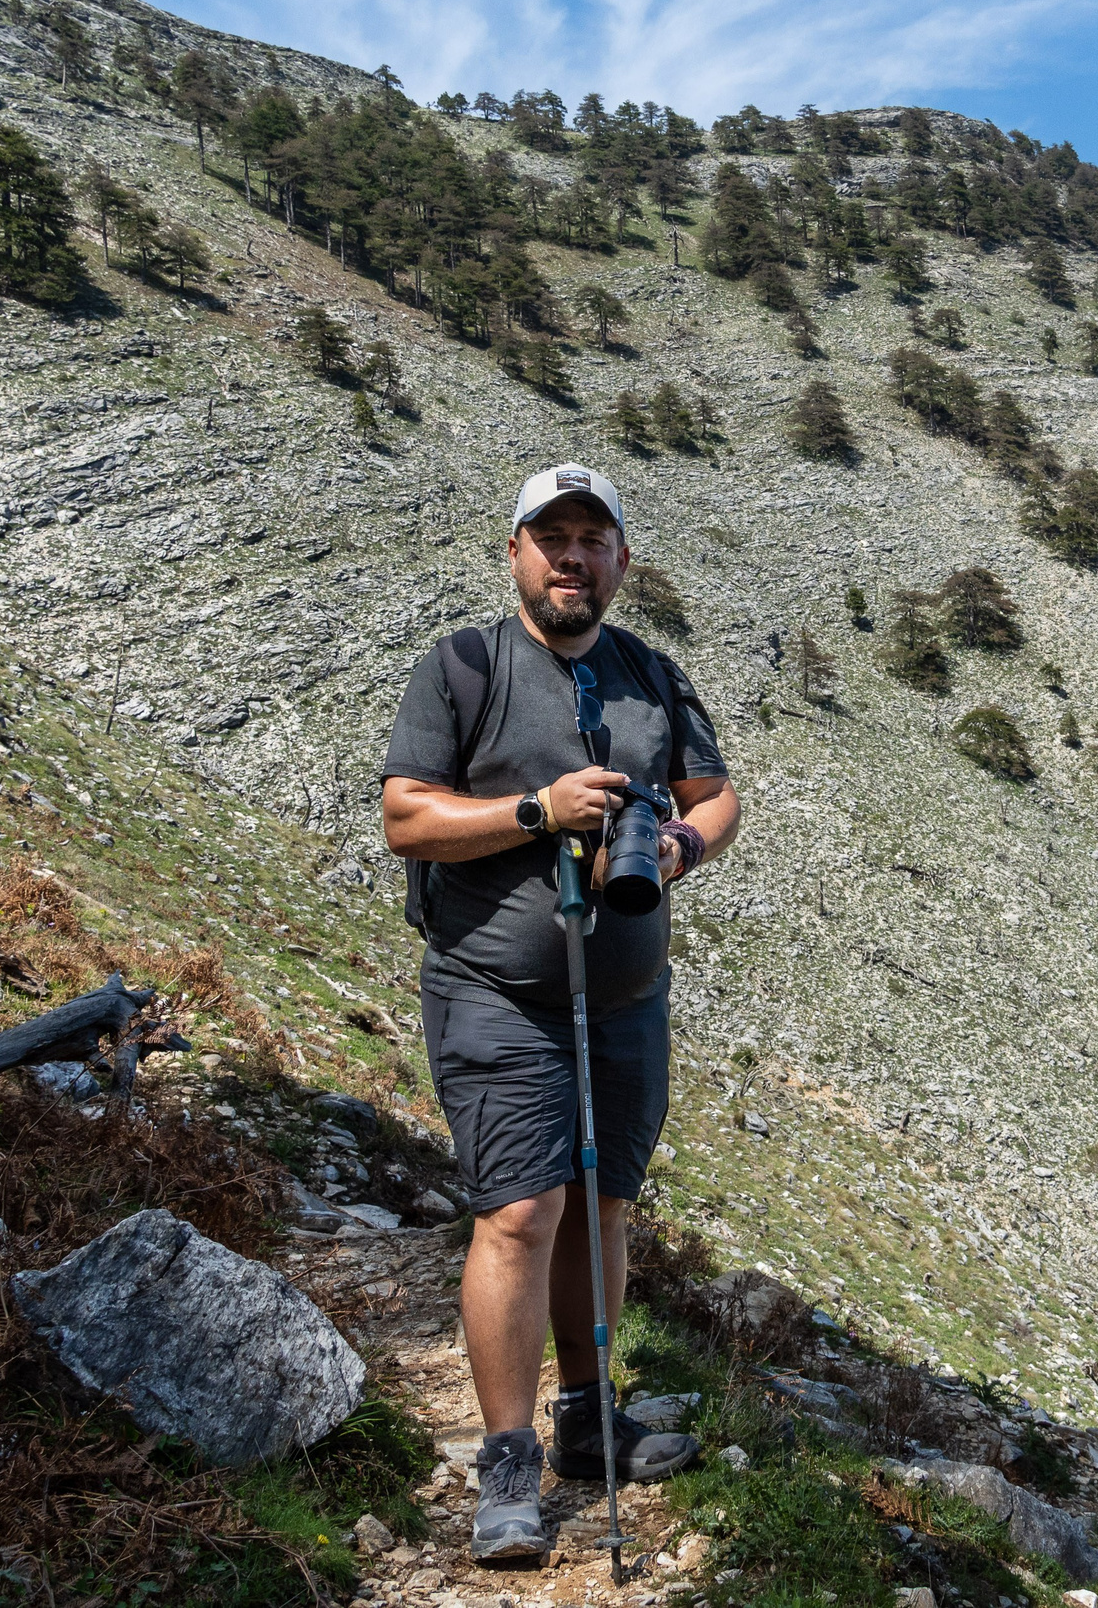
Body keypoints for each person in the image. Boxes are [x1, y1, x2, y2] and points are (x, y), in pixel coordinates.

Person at [380, 464, 741, 1559]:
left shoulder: (651, 675)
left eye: (593, 540)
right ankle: (506, 1465)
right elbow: (406, 818)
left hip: (627, 995)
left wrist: (680, 844)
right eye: (552, 538)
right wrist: (538, 811)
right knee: (519, 1213)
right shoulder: (465, 665)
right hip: (495, 989)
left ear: (621, 563)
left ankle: (587, 1424)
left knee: (603, 1206)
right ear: (516, 554)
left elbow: (715, 796)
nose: (572, 558)